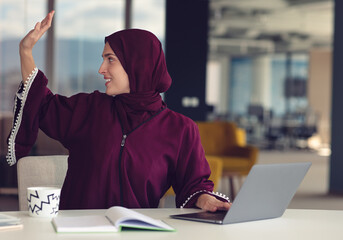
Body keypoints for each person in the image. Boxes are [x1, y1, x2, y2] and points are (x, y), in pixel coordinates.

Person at [6, 11, 231, 212]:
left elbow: (194, 185)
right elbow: (42, 104)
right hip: (75, 233)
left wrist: (203, 198)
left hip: (136, 233)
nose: (101, 69)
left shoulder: (181, 130)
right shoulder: (90, 109)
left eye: (110, 59)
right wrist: (26, 51)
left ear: (137, 65)